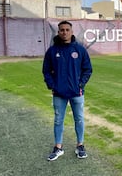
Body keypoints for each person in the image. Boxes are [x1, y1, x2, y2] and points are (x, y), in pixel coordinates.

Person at [42, 20, 93, 161]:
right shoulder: (52, 51)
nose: (64, 32)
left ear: (71, 32)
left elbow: (87, 69)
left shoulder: (80, 50)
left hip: (76, 93)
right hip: (59, 93)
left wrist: (80, 85)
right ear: (58, 32)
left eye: (67, 30)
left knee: (79, 119)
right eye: (62, 30)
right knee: (58, 120)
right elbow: (46, 71)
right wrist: (52, 85)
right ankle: (58, 147)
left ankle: (80, 145)